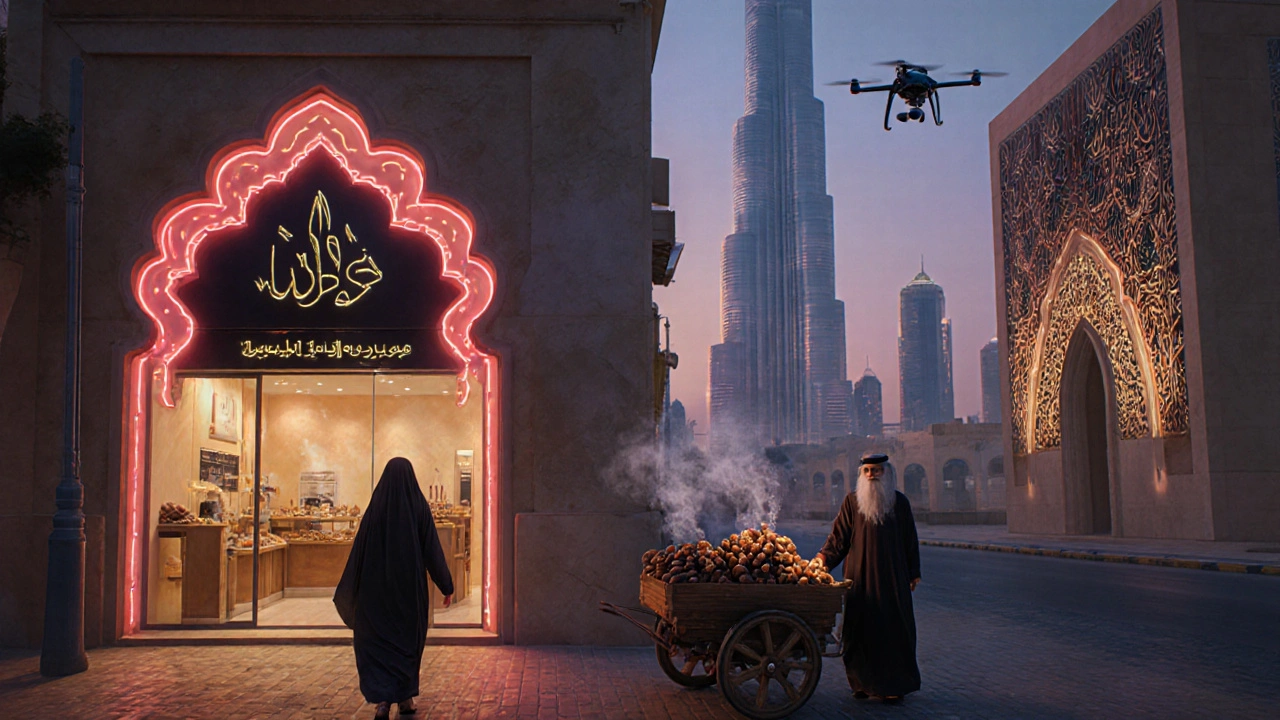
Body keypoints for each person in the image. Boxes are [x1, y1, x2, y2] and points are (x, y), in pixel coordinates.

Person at [334, 458, 454, 719]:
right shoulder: (418, 507)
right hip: (408, 594)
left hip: (374, 595)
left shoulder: (376, 508)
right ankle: (405, 699)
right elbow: (432, 549)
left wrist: (351, 589)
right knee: (406, 645)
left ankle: (383, 702)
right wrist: (446, 585)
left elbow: (359, 551)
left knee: (378, 645)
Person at [817, 453, 921, 702]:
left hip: (894, 580)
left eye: (877, 470)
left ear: (887, 472)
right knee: (859, 631)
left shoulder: (900, 503)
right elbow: (838, 539)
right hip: (860, 580)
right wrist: (823, 559)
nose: (872, 475)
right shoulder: (852, 503)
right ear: (861, 474)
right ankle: (861, 684)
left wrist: (913, 572)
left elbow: (910, 541)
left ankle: (894, 685)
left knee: (896, 631)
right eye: (868, 471)